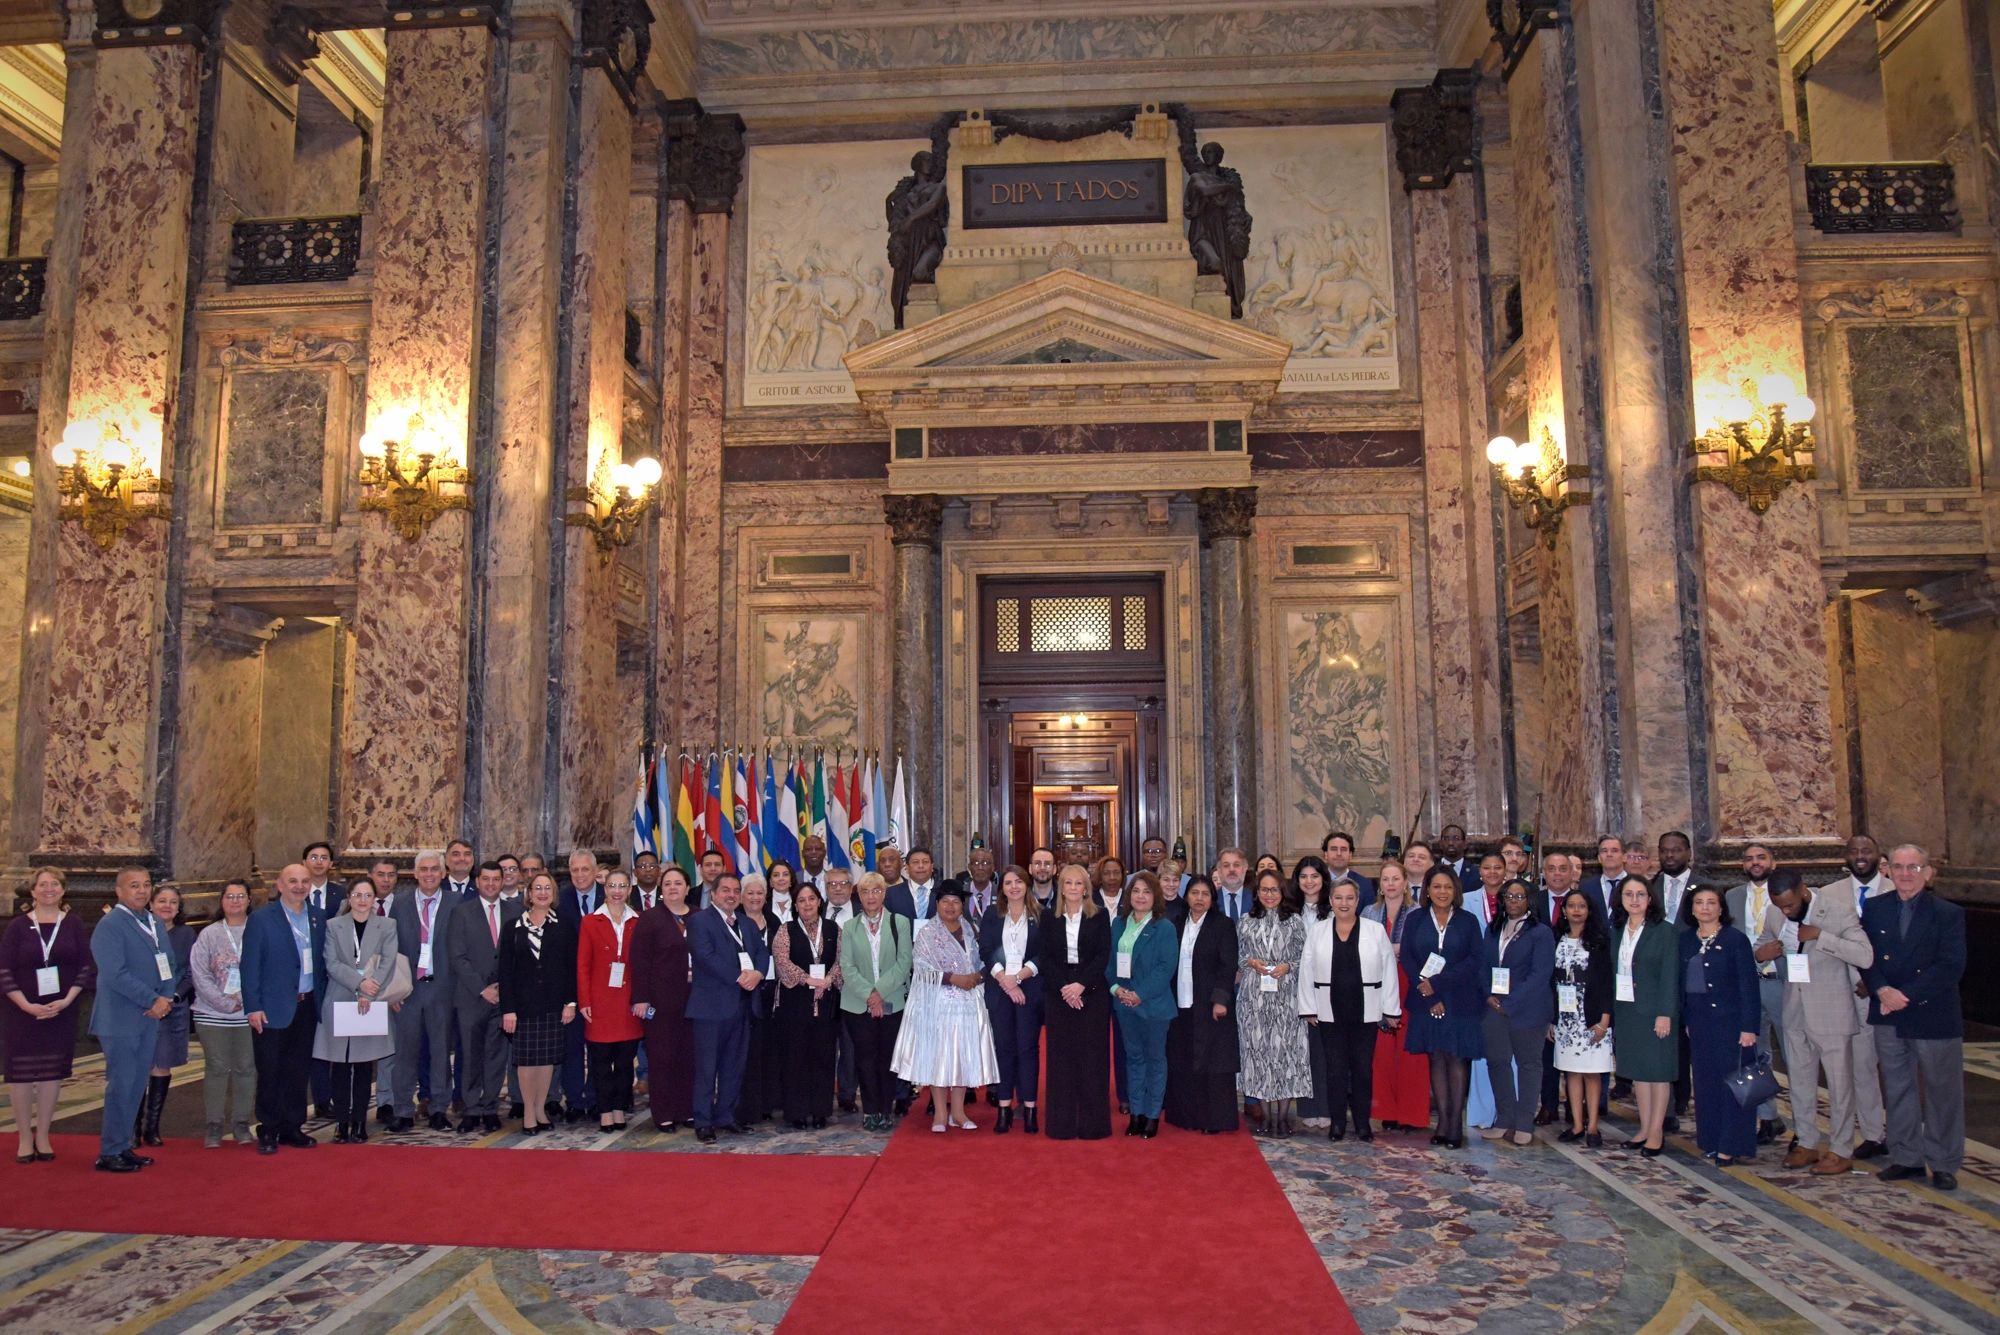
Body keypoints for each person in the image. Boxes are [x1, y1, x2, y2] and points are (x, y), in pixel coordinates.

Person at [1862, 844, 1965, 1192]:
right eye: (1898, 867)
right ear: (1888, 870)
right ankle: (1906, 1157)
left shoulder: (1947, 913)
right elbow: (1866, 957)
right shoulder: (1875, 908)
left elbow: (1951, 965)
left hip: (1932, 1013)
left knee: (1942, 1092)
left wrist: (1903, 997)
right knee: (1897, 1087)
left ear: (1928, 872)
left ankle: (1944, 1162)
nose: (1905, 874)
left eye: (1914, 867)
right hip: (1886, 1012)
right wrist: (1881, 990)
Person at [1759, 870, 1872, 1175]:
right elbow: (1763, 942)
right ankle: (1807, 1142)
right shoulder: (1774, 912)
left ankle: (1841, 1149)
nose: (1785, 911)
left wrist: (1822, 937)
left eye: (1790, 905)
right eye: (1779, 905)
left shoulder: (1837, 911)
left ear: (1804, 891)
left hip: (1831, 1010)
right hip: (1794, 1009)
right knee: (1799, 1081)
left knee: (1839, 1085)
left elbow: (1864, 955)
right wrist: (1761, 953)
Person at [1299, 878, 1400, 1142]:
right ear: (1330, 901)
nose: (1344, 903)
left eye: (1349, 898)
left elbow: (1389, 969)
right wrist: (1308, 1007)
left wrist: (1391, 1009)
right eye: (1338, 898)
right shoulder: (1318, 931)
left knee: (1362, 1069)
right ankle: (1337, 1123)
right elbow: (1306, 970)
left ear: (1357, 901)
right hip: (1329, 1010)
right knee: (1335, 1069)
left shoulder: (1375, 930)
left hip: (1366, 1010)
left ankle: (1362, 1123)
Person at [3, 869, 94, 1163]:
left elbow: (85, 966)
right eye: (42, 885)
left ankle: (43, 1135)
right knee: (21, 1074)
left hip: (61, 1010)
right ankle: (24, 1137)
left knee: (51, 1073)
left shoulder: (73, 924)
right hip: (22, 1012)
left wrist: (67, 1000)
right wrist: (26, 1005)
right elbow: (4, 970)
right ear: (33, 891)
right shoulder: (17, 926)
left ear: (63, 890)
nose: (49, 889)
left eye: (55, 884)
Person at [89, 867, 176, 1172]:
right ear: (119, 891)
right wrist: (152, 999)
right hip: (121, 1017)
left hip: (150, 1016)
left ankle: (124, 1145)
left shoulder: (153, 921)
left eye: (146, 885)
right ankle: (110, 1151)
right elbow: (115, 974)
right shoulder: (110, 925)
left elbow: (168, 963)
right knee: (122, 1084)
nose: (142, 891)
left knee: (138, 1084)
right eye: (134, 885)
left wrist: (166, 997)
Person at [892, 883, 999, 1131]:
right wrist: (954, 979)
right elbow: (921, 968)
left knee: (962, 1056)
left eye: (956, 902)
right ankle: (940, 1113)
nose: (951, 906)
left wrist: (978, 976)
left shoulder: (969, 929)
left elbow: (981, 959)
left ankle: (958, 1113)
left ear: (962, 906)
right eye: (945, 901)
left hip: (968, 1002)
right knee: (939, 1056)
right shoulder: (927, 932)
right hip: (938, 1003)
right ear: (937, 904)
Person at [241, 863, 327, 1155]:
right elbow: (249, 965)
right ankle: (268, 1128)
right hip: (272, 1007)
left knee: (298, 1069)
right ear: (279, 885)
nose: (299, 887)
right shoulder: (261, 919)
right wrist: (253, 1006)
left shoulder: (317, 917)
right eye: (293, 881)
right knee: (270, 1070)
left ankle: (293, 1126)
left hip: (307, 1005)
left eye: (304, 881)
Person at [1400, 865, 1484, 1148]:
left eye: (1447, 886)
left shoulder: (1468, 921)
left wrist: (1438, 982)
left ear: (1455, 890)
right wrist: (1429, 993)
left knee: (1457, 1058)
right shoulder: (1415, 919)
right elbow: (1408, 958)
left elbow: (1474, 960)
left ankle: (1455, 1125)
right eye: (1436, 886)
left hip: (1460, 999)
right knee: (1436, 1057)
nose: (1442, 892)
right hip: (1426, 1000)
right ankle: (1443, 1122)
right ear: (1427, 890)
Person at [1679, 885, 1760, 1165]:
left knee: (1733, 1085)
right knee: (1705, 1084)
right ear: (1691, 909)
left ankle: (1731, 1144)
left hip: (1732, 1024)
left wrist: (1749, 1027)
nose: (1705, 907)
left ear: (1721, 908)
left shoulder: (1735, 940)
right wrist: (1685, 1019)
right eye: (1699, 902)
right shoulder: (1685, 940)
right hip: (1699, 1023)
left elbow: (1748, 986)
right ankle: (1711, 1140)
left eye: (1711, 902)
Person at [1820, 834, 1890, 1159]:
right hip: (1842, 988)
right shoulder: (1829, 893)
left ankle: (1898, 1134)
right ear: (1845, 857)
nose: (1860, 856)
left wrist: (1875, 982)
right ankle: (1872, 1133)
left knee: (1893, 1069)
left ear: (1878, 854)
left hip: (1887, 992)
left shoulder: (1895, 890)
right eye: (1854, 851)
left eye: (1867, 850)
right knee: (1858, 1068)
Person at [687, 872, 770, 1143]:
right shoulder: (699, 921)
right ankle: (703, 1121)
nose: (731, 895)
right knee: (706, 1068)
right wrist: (739, 977)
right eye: (726, 890)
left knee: (734, 1066)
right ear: (713, 894)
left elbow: (762, 952)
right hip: (710, 1009)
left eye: (736, 891)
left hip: (743, 1007)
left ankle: (725, 1115)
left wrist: (758, 973)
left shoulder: (746, 923)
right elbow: (705, 956)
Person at [315, 880, 399, 1143]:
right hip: (340, 997)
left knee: (364, 1066)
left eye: (368, 895)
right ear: (349, 898)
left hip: (371, 1000)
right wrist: (359, 983)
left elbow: (388, 962)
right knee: (340, 1065)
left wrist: (367, 991)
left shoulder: (387, 925)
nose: (362, 900)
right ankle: (342, 1123)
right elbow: (331, 963)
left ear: (374, 899)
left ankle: (360, 1122)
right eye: (357, 895)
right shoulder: (334, 925)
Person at [498, 872, 577, 1136]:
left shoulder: (564, 925)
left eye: (547, 888)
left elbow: (571, 967)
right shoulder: (513, 927)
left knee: (546, 1061)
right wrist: (508, 1009)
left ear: (553, 894)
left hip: (553, 1004)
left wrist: (570, 1002)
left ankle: (541, 1108)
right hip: (523, 1006)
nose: (543, 893)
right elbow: (505, 971)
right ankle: (529, 1113)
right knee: (526, 1061)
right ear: (529, 894)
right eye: (537, 888)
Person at [1038, 863, 1112, 1140]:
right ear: (1061, 888)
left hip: (1091, 992)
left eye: (1078, 883)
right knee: (1061, 1060)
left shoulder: (1100, 916)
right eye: (1067, 883)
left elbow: (1103, 955)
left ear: (1086, 889)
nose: (1072, 888)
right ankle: (1061, 1125)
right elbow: (1045, 956)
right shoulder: (1049, 917)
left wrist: (1081, 985)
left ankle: (1093, 1125)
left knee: (1093, 1059)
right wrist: (1065, 988)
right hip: (1058, 993)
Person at [1481, 878, 1555, 1148]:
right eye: (1509, 896)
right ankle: (1504, 1118)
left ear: (1529, 900)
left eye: (1519, 896)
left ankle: (1524, 1123)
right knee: (1497, 1062)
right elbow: (1482, 965)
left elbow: (1540, 974)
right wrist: (1487, 994)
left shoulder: (1540, 932)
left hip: (1528, 1009)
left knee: (1528, 1065)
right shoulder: (1493, 928)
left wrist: (1511, 1002)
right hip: (1494, 1007)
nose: (1513, 901)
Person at [1238, 868, 1311, 1137]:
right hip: (1254, 997)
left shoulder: (1294, 921)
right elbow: (1238, 956)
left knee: (1285, 1055)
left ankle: (1282, 1117)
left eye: (1274, 890)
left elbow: (1305, 958)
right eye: (1264, 890)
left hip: (1286, 996)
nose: (1269, 895)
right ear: (1257, 893)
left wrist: (1288, 966)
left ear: (1283, 892)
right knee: (1259, 1054)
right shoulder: (1246, 921)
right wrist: (1250, 962)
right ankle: (1266, 1117)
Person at [388, 851, 457, 1132]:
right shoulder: (400, 903)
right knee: (405, 1053)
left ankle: (439, 1108)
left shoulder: (457, 903)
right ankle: (403, 1110)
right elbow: (390, 948)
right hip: (408, 990)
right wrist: (392, 991)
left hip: (442, 988)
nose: (429, 874)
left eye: (434, 869)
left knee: (440, 1053)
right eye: (424, 869)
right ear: (415, 873)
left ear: (443, 873)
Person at [1164, 875, 1239, 1134]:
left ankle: (1213, 1120)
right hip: (1180, 1003)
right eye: (1194, 893)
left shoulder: (1222, 925)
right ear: (1186, 896)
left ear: (1212, 899)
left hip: (1210, 1005)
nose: (1199, 898)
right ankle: (1186, 1116)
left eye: (1205, 894)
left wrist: (1220, 1000)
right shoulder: (1175, 924)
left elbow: (1228, 965)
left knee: (1212, 1061)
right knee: (1183, 1058)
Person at [1612, 878, 1680, 1156]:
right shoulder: (1617, 930)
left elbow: (1670, 975)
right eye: (1629, 894)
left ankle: (1656, 1131)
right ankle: (1643, 1127)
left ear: (1650, 899)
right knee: (1639, 1073)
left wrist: (1665, 1013)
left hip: (1655, 1011)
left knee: (1658, 1072)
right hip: (1627, 1010)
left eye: (1640, 894)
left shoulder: (1664, 931)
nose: (1635, 899)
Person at [839, 872, 912, 1132]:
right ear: (859, 896)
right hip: (858, 1004)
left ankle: (885, 1109)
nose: (871, 896)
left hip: (892, 1001)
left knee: (887, 1059)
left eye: (876, 891)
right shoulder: (850, 927)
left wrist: (879, 993)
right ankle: (870, 1110)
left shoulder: (899, 923)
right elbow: (847, 967)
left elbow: (904, 963)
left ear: (884, 893)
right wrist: (870, 996)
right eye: (865, 891)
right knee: (865, 1058)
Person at [1107, 871, 1177, 1139]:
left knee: (1155, 1060)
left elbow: (1165, 968)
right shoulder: (1118, 924)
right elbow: (1109, 962)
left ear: (1155, 896)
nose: (1140, 896)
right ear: (1129, 895)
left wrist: (1140, 994)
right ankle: (1136, 1113)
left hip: (1153, 1006)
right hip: (1124, 1004)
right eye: (1136, 891)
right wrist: (1116, 989)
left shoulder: (1164, 927)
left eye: (1147, 891)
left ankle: (1152, 1115)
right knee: (1134, 1059)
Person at [449, 862, 516, 1133]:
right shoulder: (462, 912)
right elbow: (458, 956)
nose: (490, 884)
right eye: (485, 879)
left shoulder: (515, 911)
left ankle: (489, 1107)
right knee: (470, 1055)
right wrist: (482, 988)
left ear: (502, 882)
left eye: (496, 879)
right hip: (471, 997)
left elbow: (517, 954)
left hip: (502, 998)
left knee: (496, 1056)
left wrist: (503, 988)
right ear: (477, 882)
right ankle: (471, 1109)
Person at [1725, 842, 1786, 1143]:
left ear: (1773, 862)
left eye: (1761, 857)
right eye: (1749, 859)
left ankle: (1806, 1127)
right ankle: (1768, 1117)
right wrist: (1755, 957)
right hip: (1747, 985)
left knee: (1794, 1053)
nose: (1755, 863)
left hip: (1782, 982)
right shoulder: (1732, 896)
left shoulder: (1789, 894)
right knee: (1755, 1054)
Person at [1363, 861, 1430, 1131]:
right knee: (1382, 1052)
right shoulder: (1369, 912)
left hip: (1409, 982)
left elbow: (1425, 949)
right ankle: (1387, 1111)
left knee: (1410, 1051)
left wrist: (1401, 949)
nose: (1390, 884)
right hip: (1378, 984)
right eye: (1385, 879)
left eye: (1395, 879)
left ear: (1405, 883)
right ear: (1380, 884)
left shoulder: (1418, 913)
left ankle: (1412, 1114)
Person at [188, 879, 255, 1147]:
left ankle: (242, 1123)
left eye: (241, 896)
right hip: (212, 1013)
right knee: (216, 1068)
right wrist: (224, 1002)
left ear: (249, 900)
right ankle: (214, 1125)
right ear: (222, 900)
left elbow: (267, 968)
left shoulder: (258, 930)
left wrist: (246, 999)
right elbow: (199, 973)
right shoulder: (209, 934)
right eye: (230, 896)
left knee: (246, 1068)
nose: (235, 901)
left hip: (249, 1014)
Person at [577, 870, 644, 1132]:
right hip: (600, 1002)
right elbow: (583, 965)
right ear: (604, 889)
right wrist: (584, 1000)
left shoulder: (639, 920)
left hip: (629, 1002)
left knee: (625, 1063)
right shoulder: (590, 922)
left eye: (622, 886)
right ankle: (605, 1110)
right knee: (601, 1062)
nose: (617, 891)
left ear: (629, 889)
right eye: (612, 886)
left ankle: (619, 1108)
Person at [130, 885, 196, 1148]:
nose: (167, 906)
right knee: (139, 1066)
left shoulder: (186, 934)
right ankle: (133, 1127)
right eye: (161, 901)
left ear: (178, 908)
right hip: (141, 1007)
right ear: (151, 904)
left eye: (173, 902)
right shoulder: (138, 930)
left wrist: (173, 998)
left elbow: (191, 971)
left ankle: (152, 1127)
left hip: (173, 1007)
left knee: (162, 1064)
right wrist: (149, 999)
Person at [630, 866, 695, 1132]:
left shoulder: (699, 917)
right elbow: (640, 961)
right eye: (667, 884)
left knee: (689, 1057)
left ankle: (687, 1110)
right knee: (662, 1057)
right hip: (660, 1002)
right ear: (661, 889)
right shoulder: (650, 919)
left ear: (687, 888)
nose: (672, 888)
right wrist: (641, 998)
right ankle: (664, 1113)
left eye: (678, 883)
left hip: (694, 1000)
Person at [979, 865, 1043, 1134]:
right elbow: (986, 949)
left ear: (1027, 885)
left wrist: (1018, 978)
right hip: (999, 989)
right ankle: (1004, 1108)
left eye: (1019, 882)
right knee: (1004, 1049)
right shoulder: (992, 915)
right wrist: (1005, 979)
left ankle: (1029, 1108)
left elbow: (1045, 953)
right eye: (1008, 883)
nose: (1014, 887)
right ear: (1001, 888)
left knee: (1027, 1049)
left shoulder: (1041, 915)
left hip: (1030, 989)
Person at [773, 882, 843, 1129]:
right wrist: (808, 979)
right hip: (794, 1004)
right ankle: (797, 1112)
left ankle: (821, 1111)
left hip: (826, 1003)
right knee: (796, 1058)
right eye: (801, 900)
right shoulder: (786, 930)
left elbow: (842, 960)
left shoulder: (833, 928)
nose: (807, 904)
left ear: (819, 902)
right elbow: (781, 962)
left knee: (823, 1057)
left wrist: (828, 980)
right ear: (795, 905)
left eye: (811, 899)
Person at [1551, 888, 1614, 1146]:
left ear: (1589, 911)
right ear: (1564, 911)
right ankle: (1577, 1124)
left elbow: (1607, 983)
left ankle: (1593, 1127)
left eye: (1582, 906)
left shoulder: (1599, 941)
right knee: (1571, 1072)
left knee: (1592, 1072)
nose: (1576, 910)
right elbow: (1550, 981)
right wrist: (1551, 1018)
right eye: (1571, 906)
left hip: (1591, 1016)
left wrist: (1605, 1019)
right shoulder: (1556, 938)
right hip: (1565, 1017)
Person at [732, 873, 782, 1125]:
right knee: (746, 1052)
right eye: (750, 893)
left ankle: (768, 1102)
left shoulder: (774, 922)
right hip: (742, 993)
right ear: (741, 896)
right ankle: (746, 1105)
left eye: (759, 893)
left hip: (771, 994)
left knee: (770, 1050)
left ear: (766, 896)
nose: (755, 897)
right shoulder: (734, 923)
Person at [1290, 854, 1334, 1128]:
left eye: (1314, 876)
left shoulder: (1333, 909)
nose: (1309, 881)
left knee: (1324, 1051)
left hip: (1325, 986)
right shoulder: (1289, 910)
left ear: (1323, 879)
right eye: (1304, 876)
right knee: (1302, 1050)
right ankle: (1307, 1108)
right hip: (1293, 986)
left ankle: (1326, 1107)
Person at [1322, 831, 1376, 908]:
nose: (1339, 853)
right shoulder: (1316, 883)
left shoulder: (1365, 885)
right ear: (1326, 854)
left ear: (1350, 855)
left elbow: (1369, 914)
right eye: (1334, 849)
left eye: (1343, 849)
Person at [885, 847, 940, 921]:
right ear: (907, 868)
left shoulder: (944, 891)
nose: (921, 866)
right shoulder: (890, 894)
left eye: (925, 862)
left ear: (932, 867)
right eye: (915, 862)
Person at [957, 846, 999, 918]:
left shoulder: (1001, 893)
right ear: (969, 867)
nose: (980, 867)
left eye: (985, 863)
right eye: (976, 863)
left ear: (993, 867)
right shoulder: (959, 893)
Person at [1212, 848, 1252, 920]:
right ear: (1219, 870)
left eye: (1236, 865)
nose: (1231, 869)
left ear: (1245, 868)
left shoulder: (1256, 899)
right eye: (1226, 865)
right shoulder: (1211, 900)